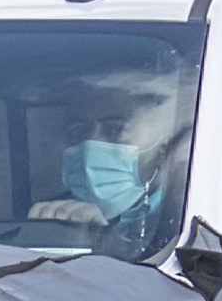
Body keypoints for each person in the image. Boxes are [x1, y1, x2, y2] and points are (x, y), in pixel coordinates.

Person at [30, 102, 165, 253]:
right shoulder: (50, 215)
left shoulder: (182, 214)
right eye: (78, 131)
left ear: (161, 146)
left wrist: (104, 240)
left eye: (115, 129)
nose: (91, 146)